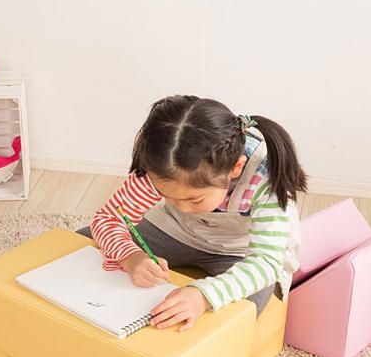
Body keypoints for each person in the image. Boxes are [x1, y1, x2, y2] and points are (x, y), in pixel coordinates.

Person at [78, 95, 306, 332]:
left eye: (194, 199)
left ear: (236, 168)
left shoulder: (267, 178)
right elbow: (109, 219)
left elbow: (266, 262)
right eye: (166, 195)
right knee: (80, 245)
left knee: (239, 315)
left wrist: (203, 296)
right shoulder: (162, 163)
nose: (183, 208)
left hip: (238, 251)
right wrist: (131, 257)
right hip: (173, 231)